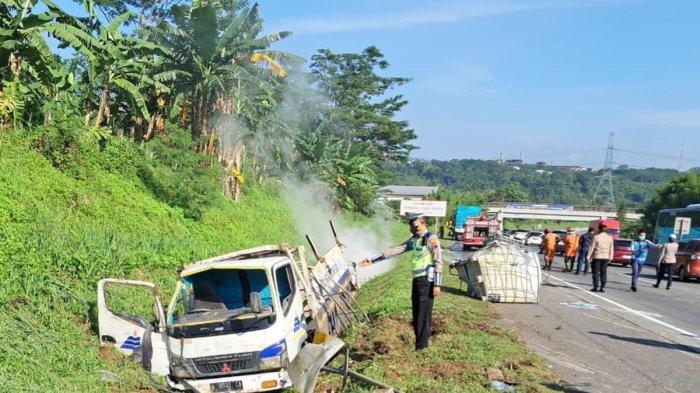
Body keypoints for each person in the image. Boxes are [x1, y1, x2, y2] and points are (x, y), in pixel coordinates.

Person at [361, 212, 442, 350]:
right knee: (416, 312)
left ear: (422, 222)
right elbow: (395, 250)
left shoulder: (431, 239)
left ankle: (422, 347)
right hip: (416, 280)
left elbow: (438, 261)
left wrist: (437, 284)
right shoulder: (413, 240)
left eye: (416, 226)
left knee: (423, 313)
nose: (413, 229)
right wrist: (373, 259)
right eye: (411, 227)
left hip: (427, 281)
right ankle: (419, 344)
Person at [586, 224, 613, 292]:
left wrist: (588, 256)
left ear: (599, 229)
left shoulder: (596, 237)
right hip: (606, 257)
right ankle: (602, 287)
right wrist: (611, 257)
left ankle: (595, 287)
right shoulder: (610, 238)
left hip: (597, 257)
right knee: (603, 272)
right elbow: (611, 249)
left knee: (596, 272)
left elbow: (591, 247)